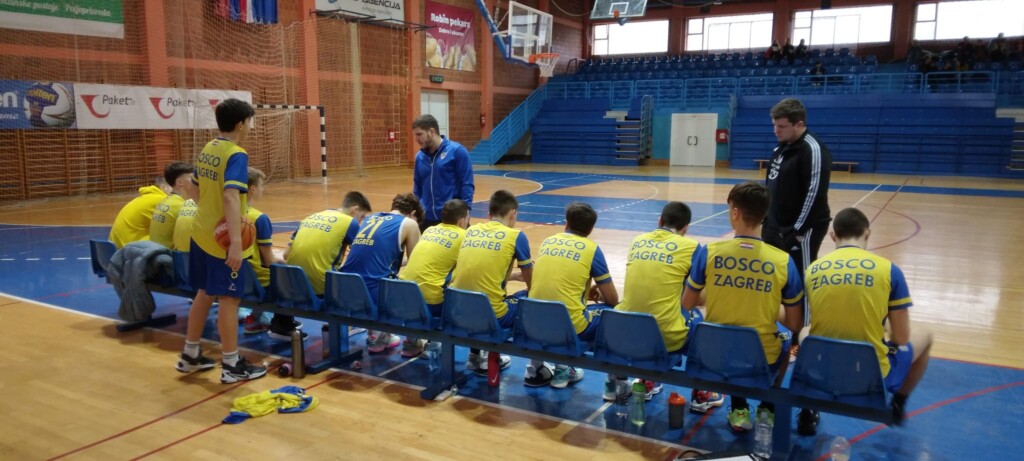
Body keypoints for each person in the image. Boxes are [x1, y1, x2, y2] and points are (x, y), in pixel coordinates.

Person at [682, 182, 804, 432]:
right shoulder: (783, 261)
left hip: (713, 356)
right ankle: (767, 408)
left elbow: (687, 303)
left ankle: (739, 408)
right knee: (783, 337)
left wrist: (718, 289)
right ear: (764, 215)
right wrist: (768, 304)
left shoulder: (710, 251)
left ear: (735, 213)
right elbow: (795, 323)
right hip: (760, 359)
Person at [801, 207, 932, 433]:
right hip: (871, 377)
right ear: (867, 233)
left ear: (833, 235)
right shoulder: (889, 270)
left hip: (823, 371)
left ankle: (809, 408)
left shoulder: (812, 270)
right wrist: (884, 324)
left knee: (806, 331)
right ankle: (898, 403)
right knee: (925, 336)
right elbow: (901, 338)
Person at [176, 98, 266, 383]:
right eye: (250, 121)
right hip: (221, 241)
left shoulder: (209, 148)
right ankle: (230, 365)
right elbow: (230, 196)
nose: (251, 126)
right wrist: (235, 242)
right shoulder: (236, 154)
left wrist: (210, 212)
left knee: (204, 292)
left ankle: (190, 354)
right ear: (240, 124)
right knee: (229, 298)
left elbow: (194, 189)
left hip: (201, 232)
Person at [613, 201, 718, 407]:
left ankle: (646, 381)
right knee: (705, 318)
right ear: (685, 229)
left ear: (659, 221)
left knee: (651, 303)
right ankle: (701, 393)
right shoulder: (691, 247)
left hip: (625, 332)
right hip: (665, 339)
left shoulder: (637, 240)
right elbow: (698, 299)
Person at [523, 202, 618, 389]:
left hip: (532, 324)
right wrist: (596, 292)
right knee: (612, 312)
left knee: (545, 306)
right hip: (568, 328)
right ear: (590, 229)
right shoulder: (591, 249)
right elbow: (612, 299)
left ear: (566, 223)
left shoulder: (547, 241)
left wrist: (584, 291)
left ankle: (535, 368)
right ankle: (613, 382)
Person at [450, 190, 533, 375]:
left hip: (457, 310)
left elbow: (479, 272)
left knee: (477, 294)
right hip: (491, 316)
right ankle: (536, 365)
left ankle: (474, 355)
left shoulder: (470, 231)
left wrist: (512, 276)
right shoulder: (516, 235)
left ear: (489, 214)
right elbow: (532, 285)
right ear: (513, 213)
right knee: (529, 299)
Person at [277, 191, 370, 338]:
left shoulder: (311, 217)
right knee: (360, 278)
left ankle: (280, 323)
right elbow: (362, 256)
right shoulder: (349, 222)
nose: (361, 222)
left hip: (292, 286)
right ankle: (348, 324)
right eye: (362, 217)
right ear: (355, 210)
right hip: (321, 289)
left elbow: (286, 255)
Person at [339, 193, 423, 353]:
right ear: (413, 213)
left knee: (378, 273)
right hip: (373, 293)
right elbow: (416, 266)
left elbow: (374, 258)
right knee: (414, 286)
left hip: (344, 289)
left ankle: (377, 334)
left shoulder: (371, 218)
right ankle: (413, 341)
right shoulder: (410, 223)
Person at [763, 98, 832, 284]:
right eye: (774, 125)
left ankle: (806, 305)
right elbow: (771, 185)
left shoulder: (813, 149)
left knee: (802, 278)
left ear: (798, 125)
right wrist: (767, 221)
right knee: (776, 278)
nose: (775, 130)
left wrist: (796, 231)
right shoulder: (781, 147)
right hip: (776, 227)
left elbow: (815, 194)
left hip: (802, 230)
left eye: (781, 126)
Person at [398, 198, 470, 357]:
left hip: (402, 298)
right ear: (462, 220)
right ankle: (440, 346)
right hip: (431, 304)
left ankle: (411, 342)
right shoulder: (465, 236)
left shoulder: (429, 230)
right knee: (469, 293)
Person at [239, 167, 285, 335]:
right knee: (289, 274)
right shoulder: (259, 218)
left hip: (232, 275)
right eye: (261, 186)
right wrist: (286, 261)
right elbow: (268, 260)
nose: (262, 189)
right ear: (252, 189)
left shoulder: (225, 212)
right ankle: (282, 325)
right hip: (256, 280)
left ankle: (248, 314)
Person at [412, 114, 475, 232]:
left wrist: (464, 212)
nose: (416, 139)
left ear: (431, 131)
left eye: (419, 134)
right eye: (415, 135)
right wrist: (417, 210)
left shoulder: (457, 151)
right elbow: (417, 188)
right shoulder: (419, 157)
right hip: (426, 219)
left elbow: (467, 184)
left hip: (452, 218)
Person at [109, 176, 170, 248]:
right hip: (129, 248)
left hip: (114, 247)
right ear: (163, 187)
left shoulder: (147, 197)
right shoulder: (162, 200)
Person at [149, 162, 196, 249]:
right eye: (191, 178)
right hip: (169, 254)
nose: (195, 181)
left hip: (155, 252)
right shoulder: (182, 205)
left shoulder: (165, 201)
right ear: (180, 182)